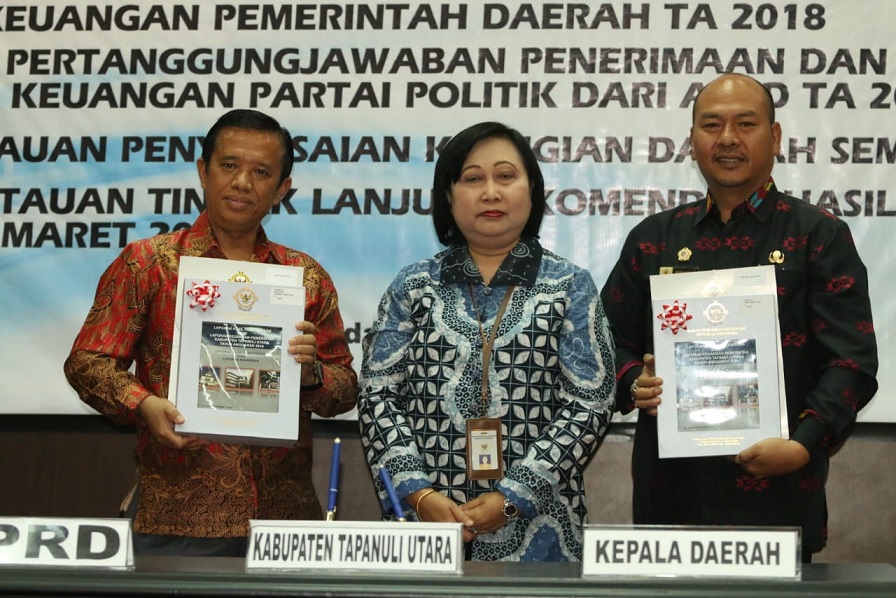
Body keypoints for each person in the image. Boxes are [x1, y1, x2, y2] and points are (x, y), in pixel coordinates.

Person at [599, 73, 878, 558]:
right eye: (712, 125)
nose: (727, 138)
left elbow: (850, 361)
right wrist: (632, 382)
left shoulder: (817, 235)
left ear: (775, 137)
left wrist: (804, 443)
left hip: (781, 494)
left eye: (745, 124)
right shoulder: (654, 239)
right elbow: (604, 341)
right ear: (692, 140)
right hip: (671, 495)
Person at [64, 109, 358, 556]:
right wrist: (143, 405)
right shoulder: (148, 263)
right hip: (176, 514)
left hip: (285, 523)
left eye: (261, 172)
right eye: (229, 165)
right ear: (203, 171)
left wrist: (311, 374)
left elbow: (346, 390)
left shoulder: (305, 276)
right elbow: (87, 362)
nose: (242, 182)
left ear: (282, 189)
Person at [358, 121, 615, 561]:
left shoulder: (569, 285)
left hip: (539, 530)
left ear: (532, 190)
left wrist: (513, 498)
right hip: (425, 528)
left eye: (506, 176)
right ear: (448, 195)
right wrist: (419, 495)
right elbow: (378, 395)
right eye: (473, 178)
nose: (491, 192)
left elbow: (590, 403)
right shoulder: (413, 285)